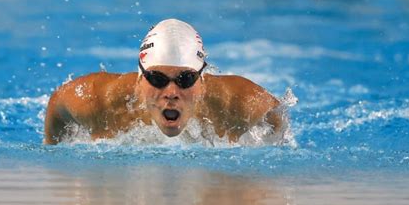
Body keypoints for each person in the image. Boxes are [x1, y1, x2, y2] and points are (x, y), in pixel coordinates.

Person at [44, 19, 282, 145]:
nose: (171, 92)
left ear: (203, 81)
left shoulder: (240, 103)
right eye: (157, 79)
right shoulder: (96, 101)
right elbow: (57, 102)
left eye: (185, 79)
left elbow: (276, 114)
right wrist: (51, 147)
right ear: (139, 79)